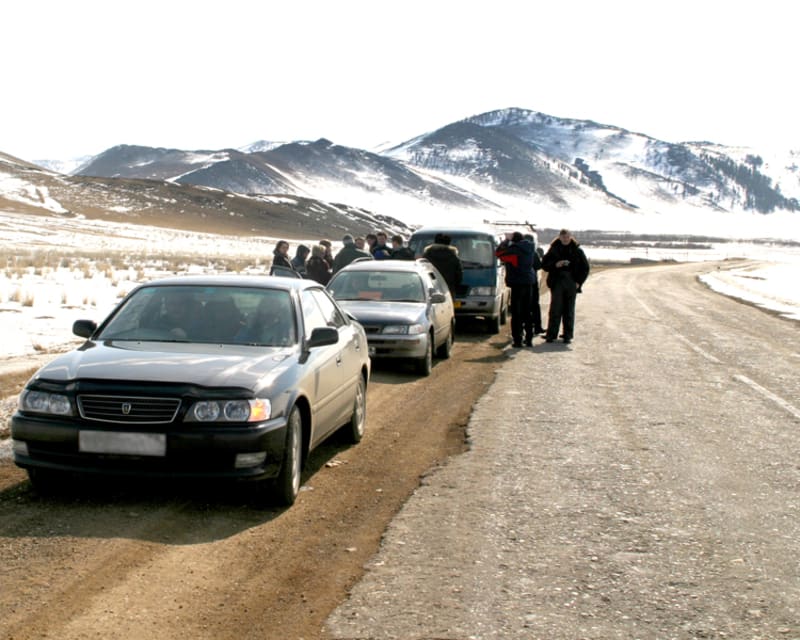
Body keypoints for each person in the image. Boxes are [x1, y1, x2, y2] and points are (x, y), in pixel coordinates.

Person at [541, 229, 590, 345]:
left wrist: (579, 282)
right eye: (563, 237)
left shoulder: (577, 250)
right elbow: (544, 265)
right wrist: (555, 265)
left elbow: (585, 268)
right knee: (555, 308)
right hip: (557, 281)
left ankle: (567, 335)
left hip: (571, 281)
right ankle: (551, 334)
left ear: (570, 237)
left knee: (569, 309)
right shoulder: (554, 249)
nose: (565, 239)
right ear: (559, 237)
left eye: (567, 237)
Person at [495, 232, 537, 347]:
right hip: (529, 282)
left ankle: (518, 340)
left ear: (514, 240)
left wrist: (506, 240)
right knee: (527, 311)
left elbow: (498, 253)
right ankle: (529, 338)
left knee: (517, 312)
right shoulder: (530, 248)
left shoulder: (514, 250)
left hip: (517, 283)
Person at [422, 233, 463, 299]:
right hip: (448, 290)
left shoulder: (427, 255)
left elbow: (422, 271)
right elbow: (458, 276)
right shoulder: (453, 257)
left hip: (431, 289)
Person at [523, 233, 546, 335]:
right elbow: (538, 266)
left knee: (523, 306)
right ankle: (537, 327)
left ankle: (523, 329)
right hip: (532, 281)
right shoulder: (533, 252)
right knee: (535, 305)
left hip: (520, 283)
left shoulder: (517, 251)